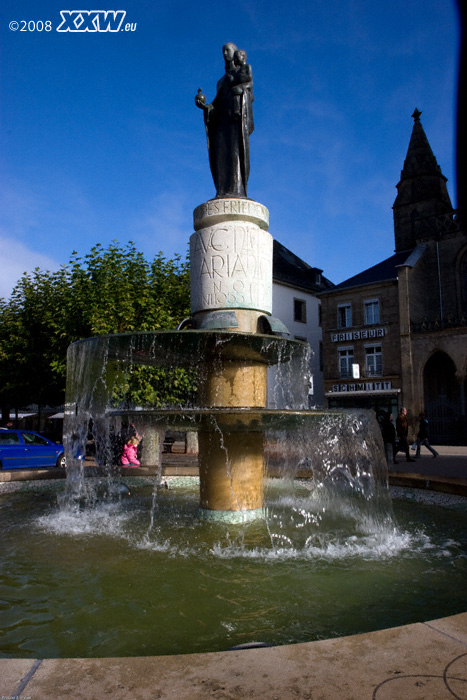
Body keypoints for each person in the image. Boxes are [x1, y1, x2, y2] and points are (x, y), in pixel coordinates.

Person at [195, 43, 254, 198]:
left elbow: (250, 93)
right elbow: (216, 103)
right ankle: (223, 190)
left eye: (227, 50)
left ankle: (237, 191)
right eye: (223, 51)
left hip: (235, 120)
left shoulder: (242, 73)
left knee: (236, 155)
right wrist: (206, 107)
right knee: (222, 156)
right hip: (222, 123)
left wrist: (241, 91)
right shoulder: (221, 82)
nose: (225, 54)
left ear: (235, 53)